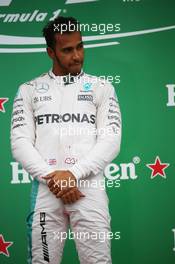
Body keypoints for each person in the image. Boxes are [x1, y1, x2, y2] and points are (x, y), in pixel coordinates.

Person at [10, 16, 122, 264]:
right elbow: (20, 143)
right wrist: (55, 180)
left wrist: (72, 174)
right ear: (51, 52)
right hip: (45, 192)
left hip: (88, 191)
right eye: (67, 50)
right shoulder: (28, 89)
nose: (77, 56)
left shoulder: (102, 87)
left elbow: (111, 140)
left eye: (80, 46)